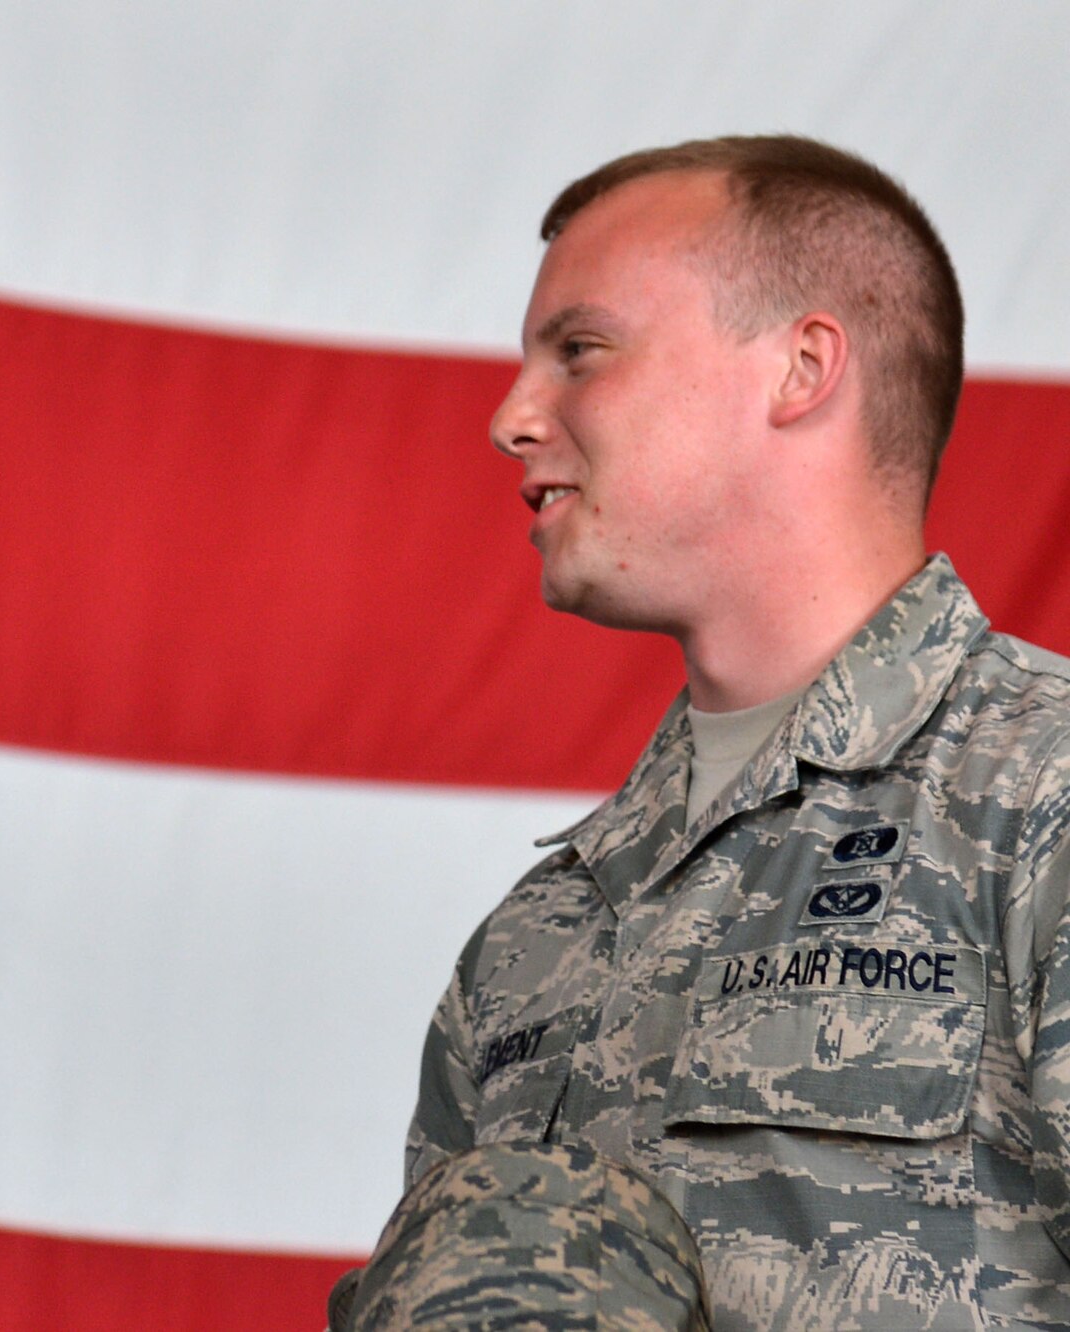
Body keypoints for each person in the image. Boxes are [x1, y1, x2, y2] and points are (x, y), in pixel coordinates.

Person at [366, 135, 1070, 1329]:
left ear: (799, 368)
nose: (509, 417)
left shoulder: (1039, 795)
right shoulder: (536, 935)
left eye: (579, 351)